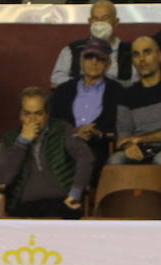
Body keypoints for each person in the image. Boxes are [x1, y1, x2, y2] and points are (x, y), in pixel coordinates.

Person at [0, 87, 93, 220]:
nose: (32, 119)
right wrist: (22, 141)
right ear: (20, 115)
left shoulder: (63, 129)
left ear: (47, 114)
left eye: (38, 113)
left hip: (62, 202)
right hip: (25, 206)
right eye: (27, 114)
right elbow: (4, 177)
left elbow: (86, 158)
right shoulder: (10, 138)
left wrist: (75, 193)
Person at [109, 36, 161, 166]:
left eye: (147, 52)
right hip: (138, 150)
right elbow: (123, 136)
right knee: (115, 161)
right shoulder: (126, 95)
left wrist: (141, 139)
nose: (142, 59)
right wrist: (128, 146)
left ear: (159, 56)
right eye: (136, 55)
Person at [50, 38, 124, 173]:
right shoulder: (63, 91)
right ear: (81, 61)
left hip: (99, 149)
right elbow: (52, 124)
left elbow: (122, 128)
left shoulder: (118, 92)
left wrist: (98, 134)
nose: (94, 62)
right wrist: (74, 132)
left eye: (100, 58)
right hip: (63, 147)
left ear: (108, 64)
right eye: (89, 57)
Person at [50, 0, 134, 87]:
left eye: (105, 18)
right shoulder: (72, 50)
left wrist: (105, 83)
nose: (100, 22)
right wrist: (85, 82)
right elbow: (56, 79)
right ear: (90, 22)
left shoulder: (130, 51)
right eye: (96, 18)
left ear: (116, 22)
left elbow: (138, 82)